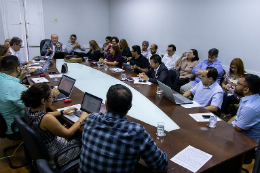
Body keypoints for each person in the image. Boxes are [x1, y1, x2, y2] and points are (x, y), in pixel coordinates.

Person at [78, 84, 168, 173]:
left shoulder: (91, 119)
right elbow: (161, 166)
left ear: (106, 104)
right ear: (130, 107)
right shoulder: (136, 132)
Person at [21, 83, 90, 168]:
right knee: (84, 139)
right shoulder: (46, 119)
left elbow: (46, 113)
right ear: (43, 101)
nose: (52, 99)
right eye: (51, 97)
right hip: (57, 155)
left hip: (43, 149)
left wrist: (62, 112)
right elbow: (68, 134)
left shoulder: (29, 110)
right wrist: (81, 119)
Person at [229, 74, 260, 164]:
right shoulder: (251, 99)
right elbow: (237, 117)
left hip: (246, 145)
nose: (235, 84)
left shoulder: (250, 107)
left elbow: (238, 128)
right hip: (240, 137)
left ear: (246, 89)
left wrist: (229, 123)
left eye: (239, 83)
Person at [0, 55, 29, 136]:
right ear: (18, 68)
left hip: (3, 124)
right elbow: (32, 109)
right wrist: (51, 96)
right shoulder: (16, 88)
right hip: (15, 128)